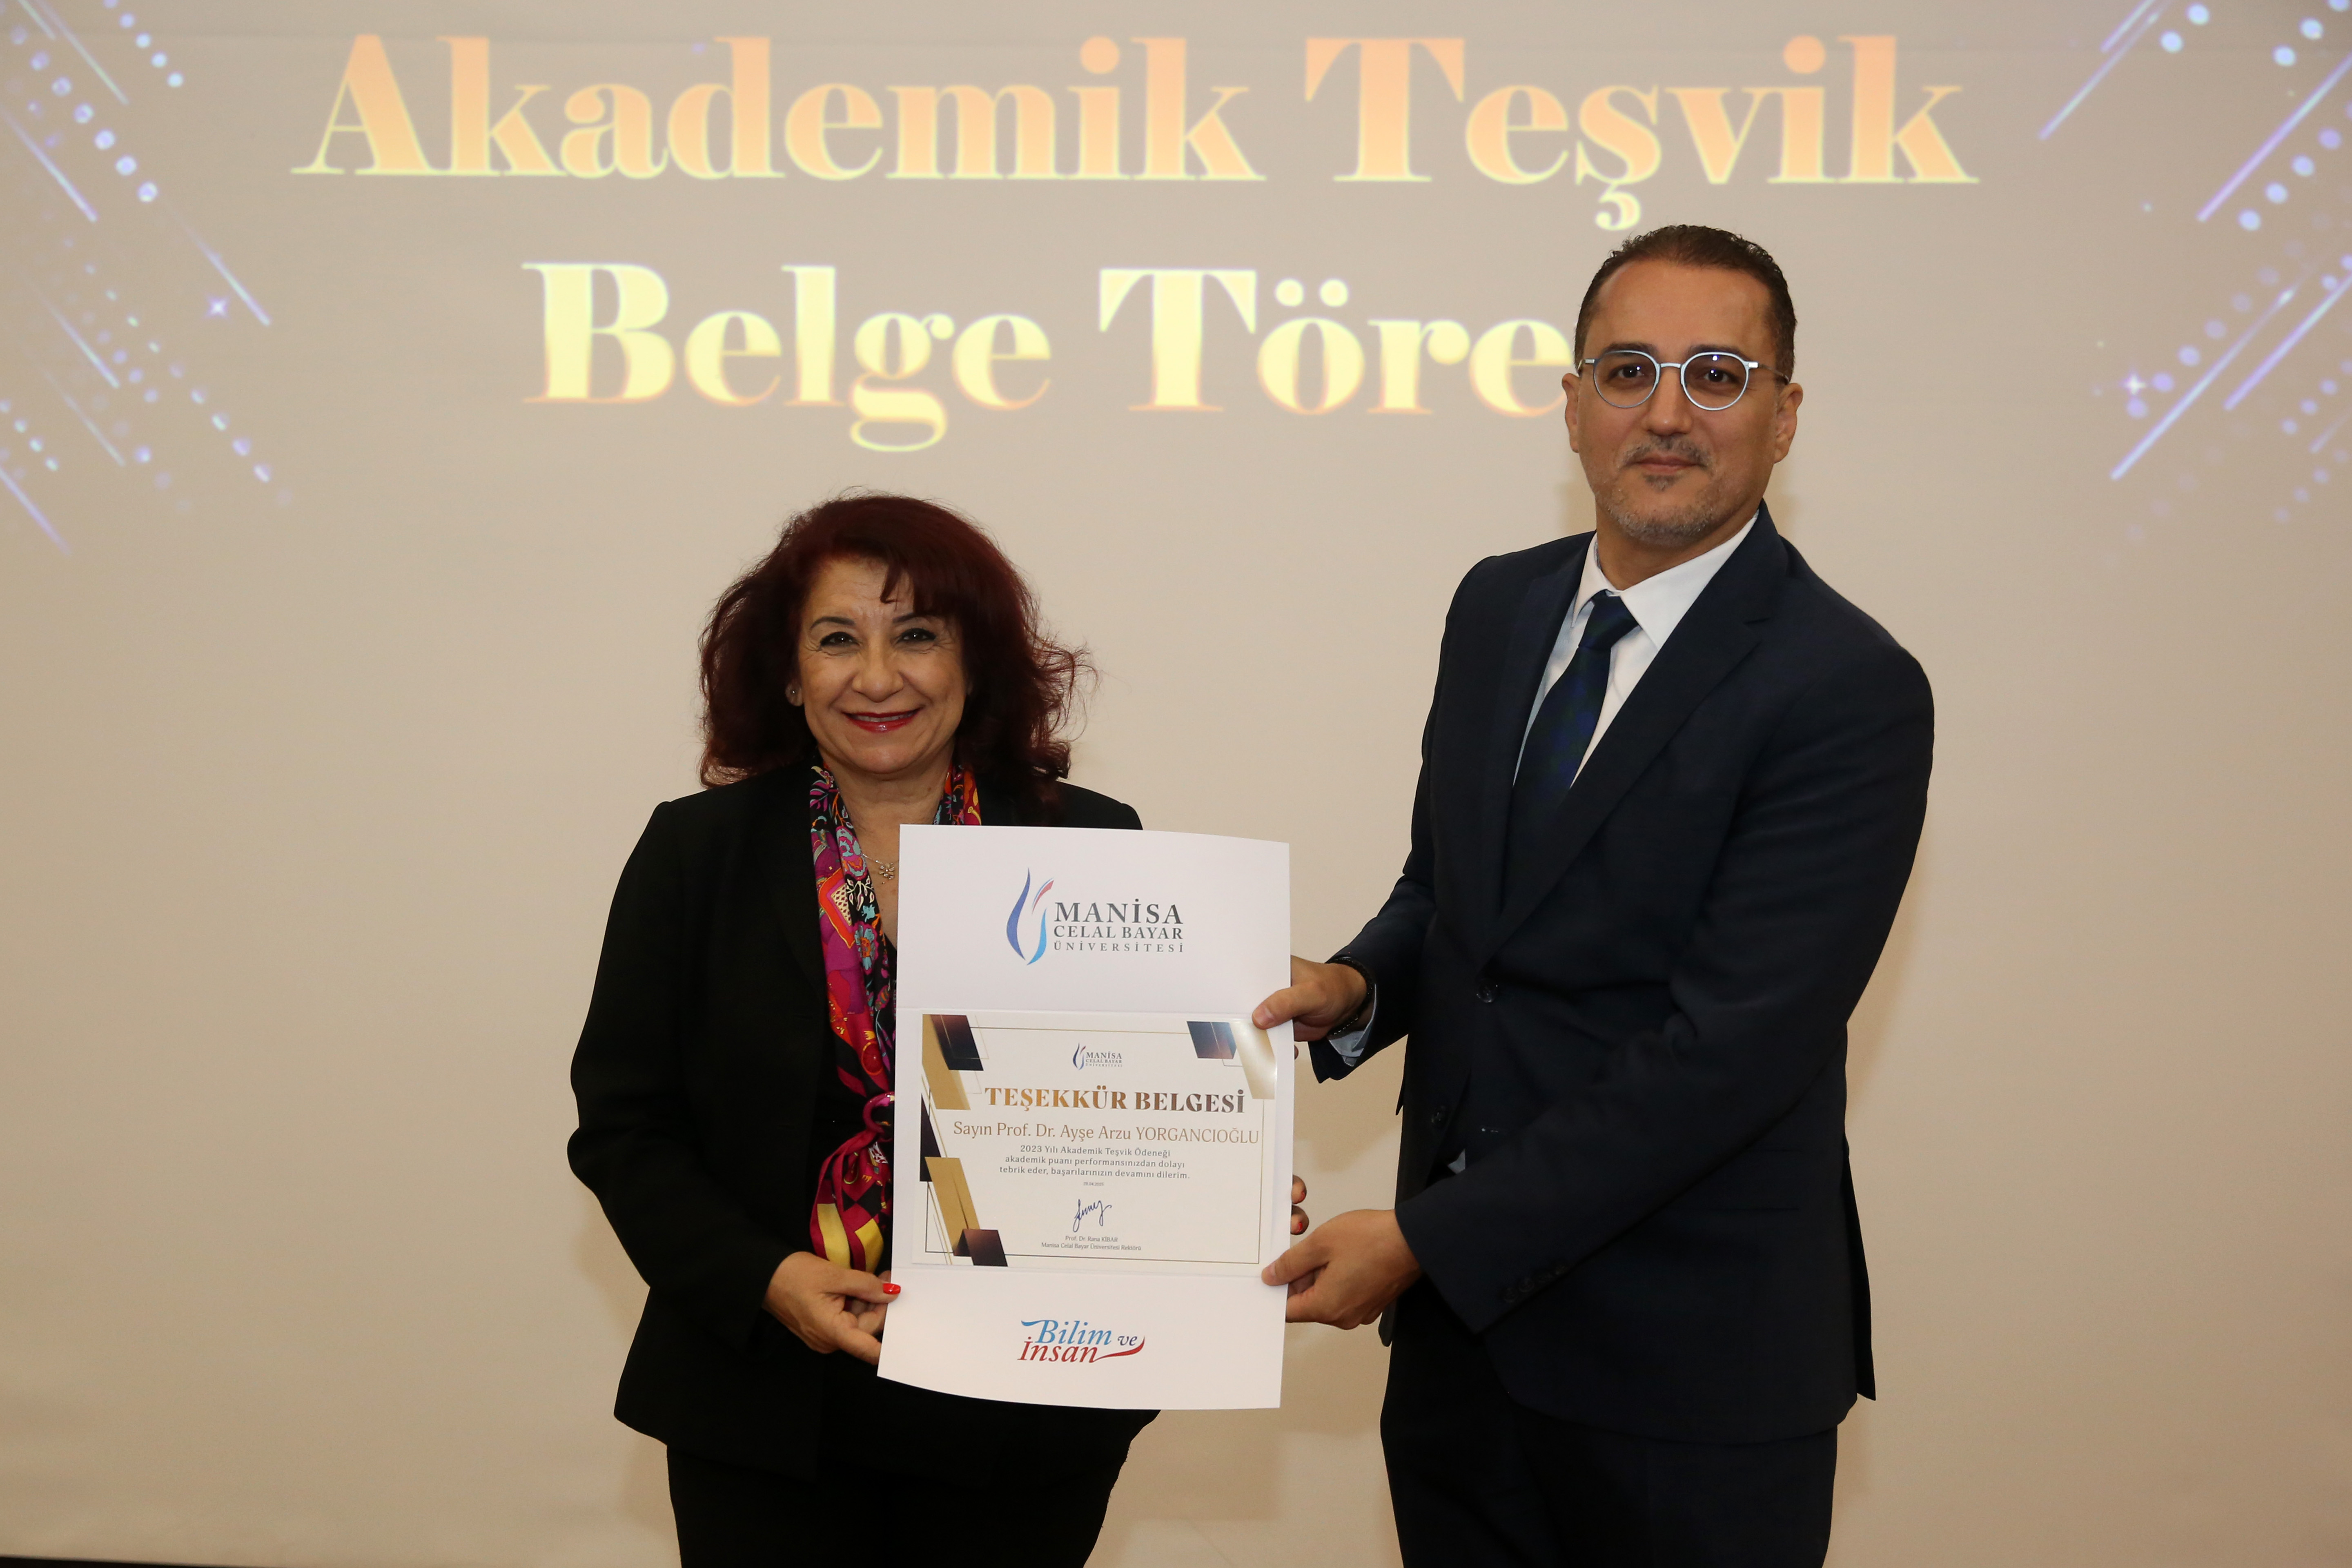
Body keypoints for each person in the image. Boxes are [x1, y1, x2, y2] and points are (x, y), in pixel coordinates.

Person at [1254, 226, 1934, 1568]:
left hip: (1691, 1372)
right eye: (1629, 371)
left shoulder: (1847, 686)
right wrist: (1356, 987)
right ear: (1573, 405)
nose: (1668, 412)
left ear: (1786, 415)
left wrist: (1426, 1240)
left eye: (1718, 374)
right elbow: (1455, 897)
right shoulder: (1497, 607)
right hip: (1464, 1358)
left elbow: (1728, 1056)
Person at [568, 492, 1163, 1566]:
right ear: (790, 675)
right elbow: (625, 1127)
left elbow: (1145, 1103)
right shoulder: (697, 855)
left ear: (975, 663)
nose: (878, 678)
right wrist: (764, 1275)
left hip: (1025, 1406)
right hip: (765, 1396)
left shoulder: (1092, 843)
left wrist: (1214, 1187)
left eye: (918, 635)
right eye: (838, 640)